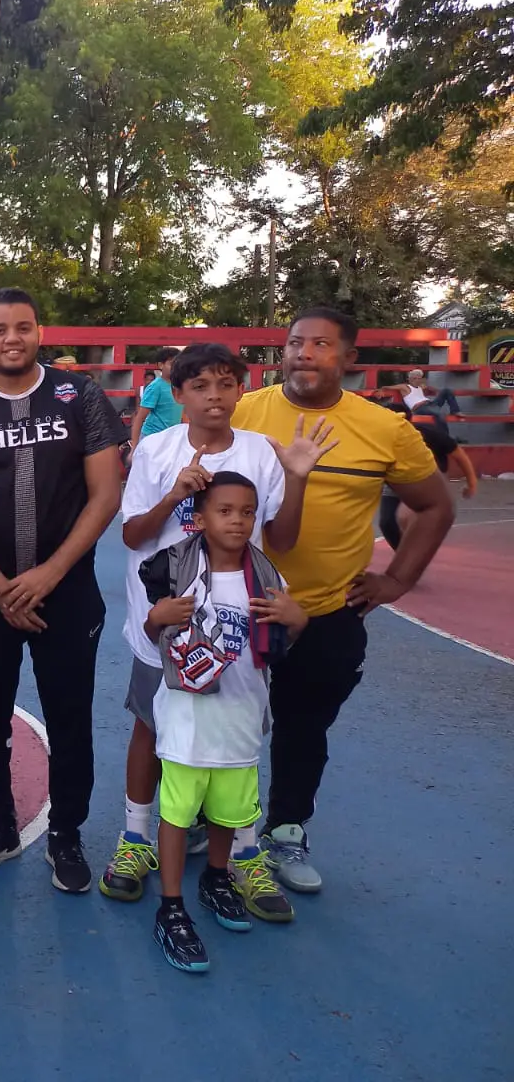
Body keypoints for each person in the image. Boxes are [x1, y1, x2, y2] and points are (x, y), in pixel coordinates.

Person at [100, 342, 335, 921]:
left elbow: (279, 541)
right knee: (149, 726)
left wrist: (299, 477)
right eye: (200, 385)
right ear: (176, 393)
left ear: (241, 390)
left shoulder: (260, 453)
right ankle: (135, 837)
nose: (214, 396)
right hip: (167, 625)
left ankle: (244, 851)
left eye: (226, 384)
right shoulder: (155, 451)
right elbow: (133, 536)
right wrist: (176, 494)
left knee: (241, 733)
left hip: (237, 624)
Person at [231, 307, 453, 893]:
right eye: (296, 343)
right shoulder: (246, 412)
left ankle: (284, 829)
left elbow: (435, 506)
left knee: (304, 728)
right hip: (240, 605)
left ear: (349, 359)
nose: (304, 353)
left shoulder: (384, 429)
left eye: (321, 345)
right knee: (222, 719)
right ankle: (215, 823)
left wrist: (398, 579)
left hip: (328, 610)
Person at [0, 287, 123, 893]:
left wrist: (48, 574)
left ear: (40, 332)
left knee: (69, 716)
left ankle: (65, 832)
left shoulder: (79, 396)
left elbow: (105, 495)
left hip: (64, 590)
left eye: (23, 327)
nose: (11, 338)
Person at [140, 472, 309, 973]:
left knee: (231, 810)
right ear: (203, 517)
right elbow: (160, 641)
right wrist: (155, 618)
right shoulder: (177, 572)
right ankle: (171, 906)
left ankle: (216, 876)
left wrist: (298, 621)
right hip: (188, 717)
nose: (237, 520)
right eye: (225, 510)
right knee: (177, 812)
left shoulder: (268, 577)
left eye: (247, 512)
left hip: (242, 713)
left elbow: (281, 647)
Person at [378, 412, 477, 549]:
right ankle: (404, 554)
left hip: (426, 479)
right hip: (395, 481)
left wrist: (472, 483)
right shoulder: (379, 438)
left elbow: (459, 455)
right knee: (387, 523)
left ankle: (414, 554)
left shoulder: (429, 434)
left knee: (408, 517)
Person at [130, 347, 182, 446]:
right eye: (172, 364)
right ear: (161, 365)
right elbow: (140, 417)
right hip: (153, 438)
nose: (176, 367)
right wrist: (134, 447)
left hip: (172, 438)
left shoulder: (179, 386)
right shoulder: (155, 387)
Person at [383, 368, 461, 428]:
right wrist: (380, 390)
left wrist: (427, 388)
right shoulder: (405, 387)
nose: (416, 380)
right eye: (414, 378)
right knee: (439, 414)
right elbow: (387, 387)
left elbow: (436, 392)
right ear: (409, 379)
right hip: (420, 407)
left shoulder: (421, 387)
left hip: (430, 404)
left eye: (418, 378)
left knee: (446, 391)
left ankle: (455, 411)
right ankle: (445, 438)